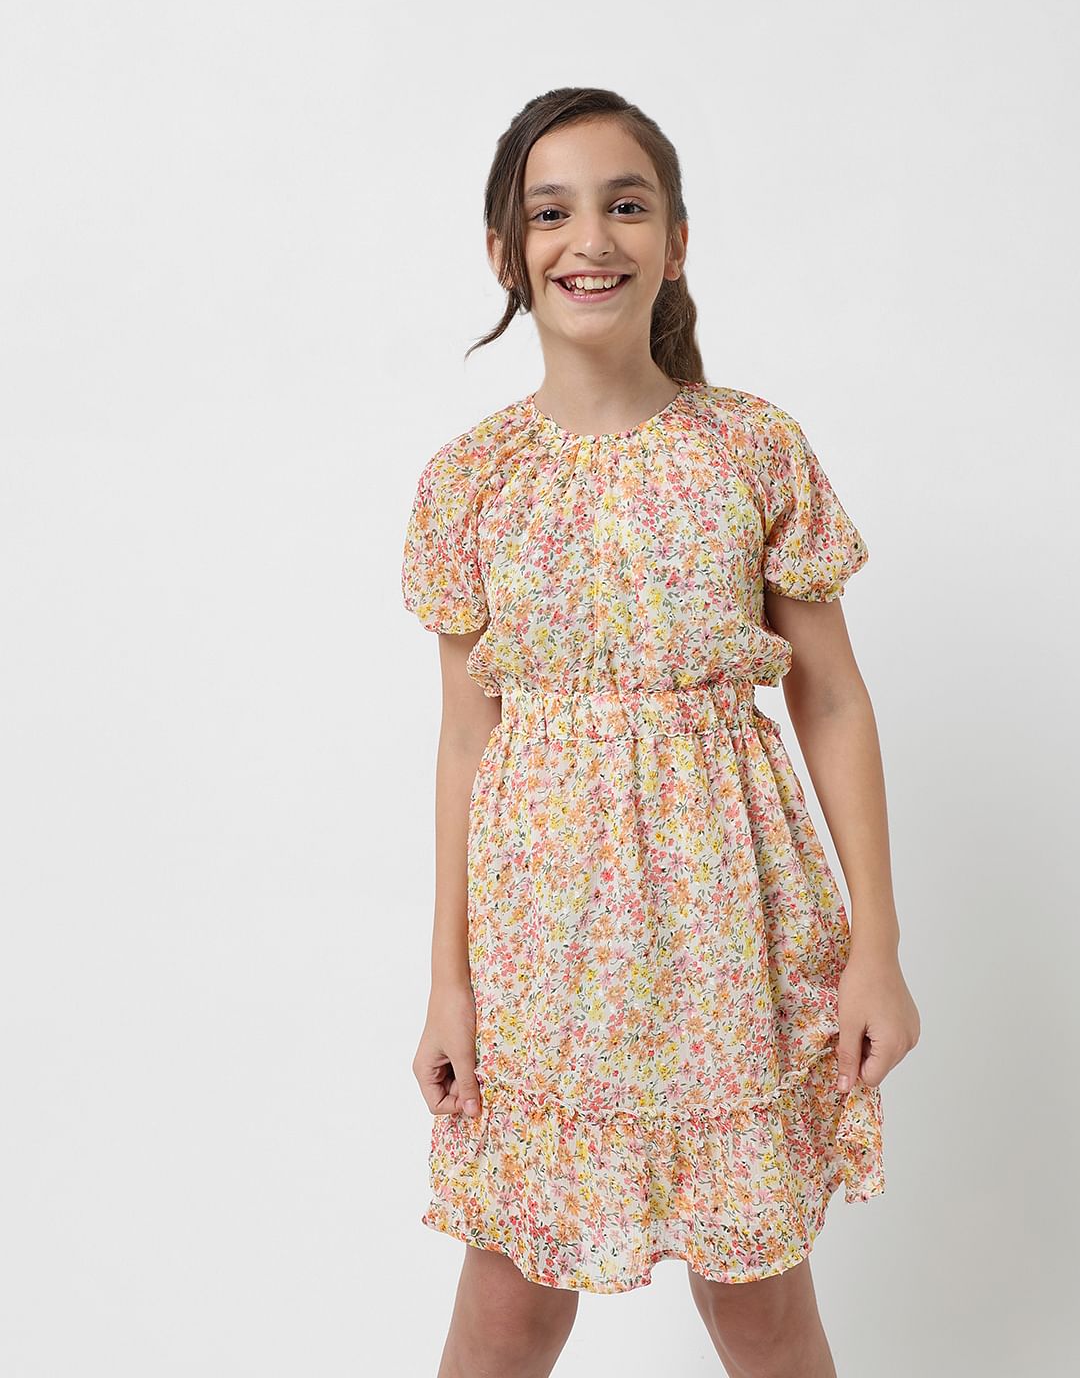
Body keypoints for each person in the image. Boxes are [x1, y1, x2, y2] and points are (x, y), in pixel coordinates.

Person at [400, 86, 920, 1378]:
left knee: (759, 1305)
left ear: (676, 240)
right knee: (509, 1307)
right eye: (552, 213)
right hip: (542, 950)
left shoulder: (751, 448)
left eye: (626, 205)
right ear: (506, 253)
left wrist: (879, 947)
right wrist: (447, 985)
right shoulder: (472, 481)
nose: (592, 239)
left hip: (730, 940)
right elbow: (465, 744)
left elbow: (833, 699)